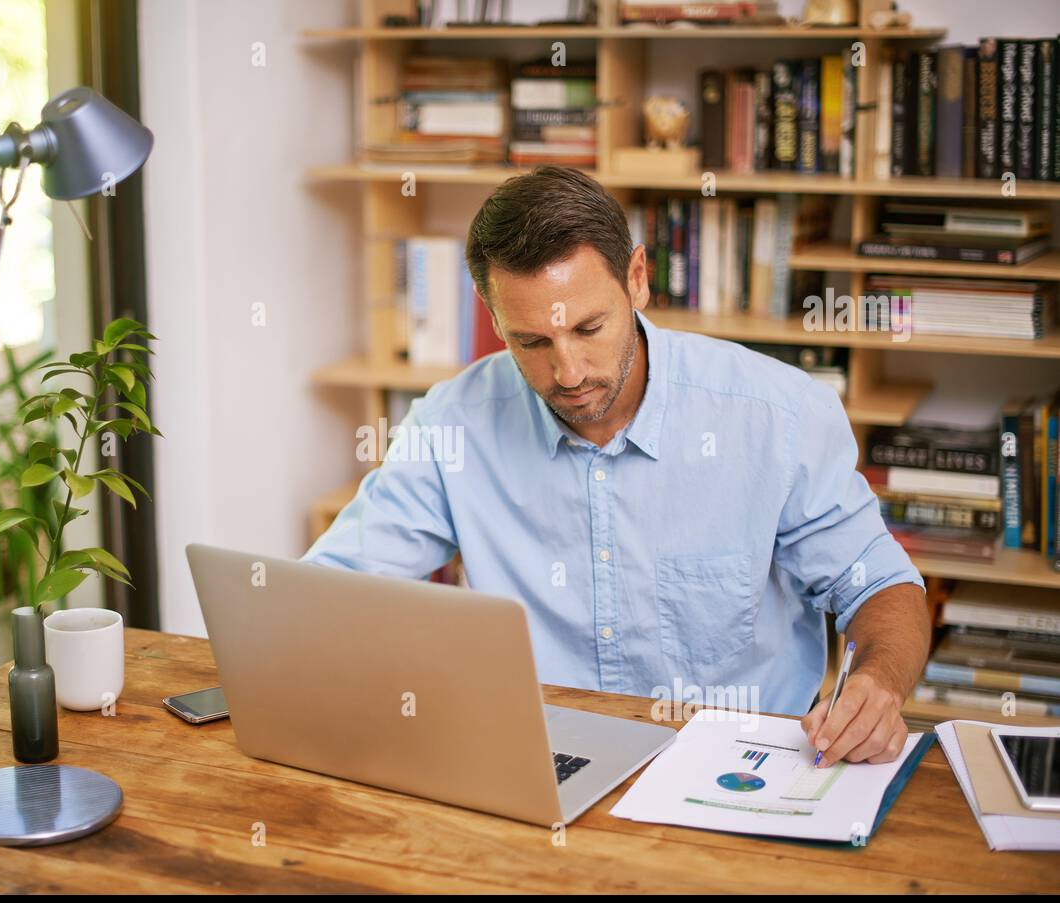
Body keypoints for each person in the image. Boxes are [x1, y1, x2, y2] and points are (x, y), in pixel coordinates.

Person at [304, 166, 929, 767]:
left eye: (590, 327)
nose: (569, 373)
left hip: (734, 768)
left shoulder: (777, 415)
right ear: (491, 313)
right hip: (537, 760)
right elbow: (329, 595)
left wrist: (876, 682)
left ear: (636, 278)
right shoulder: (452, 425)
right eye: (532, 342)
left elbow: (881, 588)